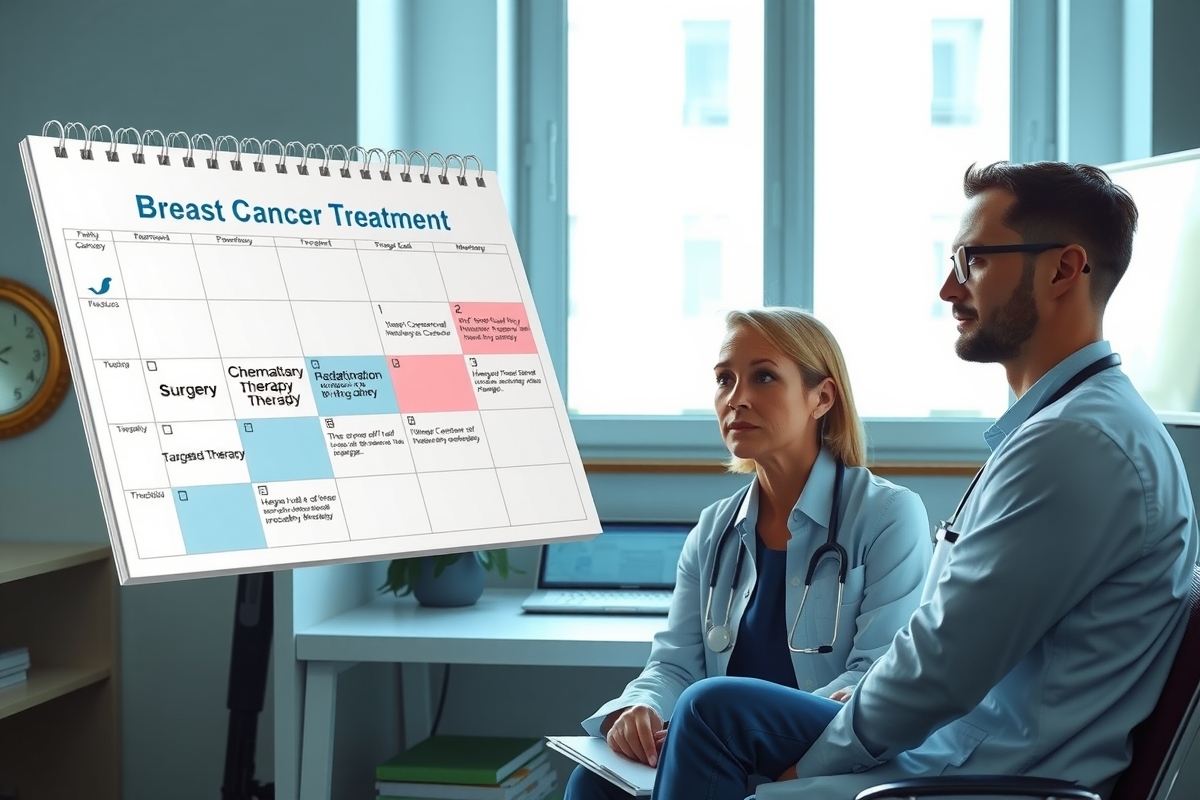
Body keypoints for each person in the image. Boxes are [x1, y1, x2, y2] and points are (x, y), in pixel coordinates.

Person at [649, 161, 1200, 800]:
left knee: (714, 719)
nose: (947, 288)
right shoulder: (1064, 427)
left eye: (973, 261)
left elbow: (942, 667)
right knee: (707, 716)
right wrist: (851, 698)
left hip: (983, 779)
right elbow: (942, 640)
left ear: (1062, 270)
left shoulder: (1076, 444)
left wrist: (809, 765)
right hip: (956, 747)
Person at [564, 307, 933, 800]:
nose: (737, 399)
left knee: (709, 708)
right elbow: (675, 665)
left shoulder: (889, 514)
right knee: (594, 781)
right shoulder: (715, 527)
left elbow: (879, 673)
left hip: (830, 736)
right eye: (724, 380)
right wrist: (639, 709)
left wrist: (726, 731)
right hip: (719, 734)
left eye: (763, 377)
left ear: (822, 397)